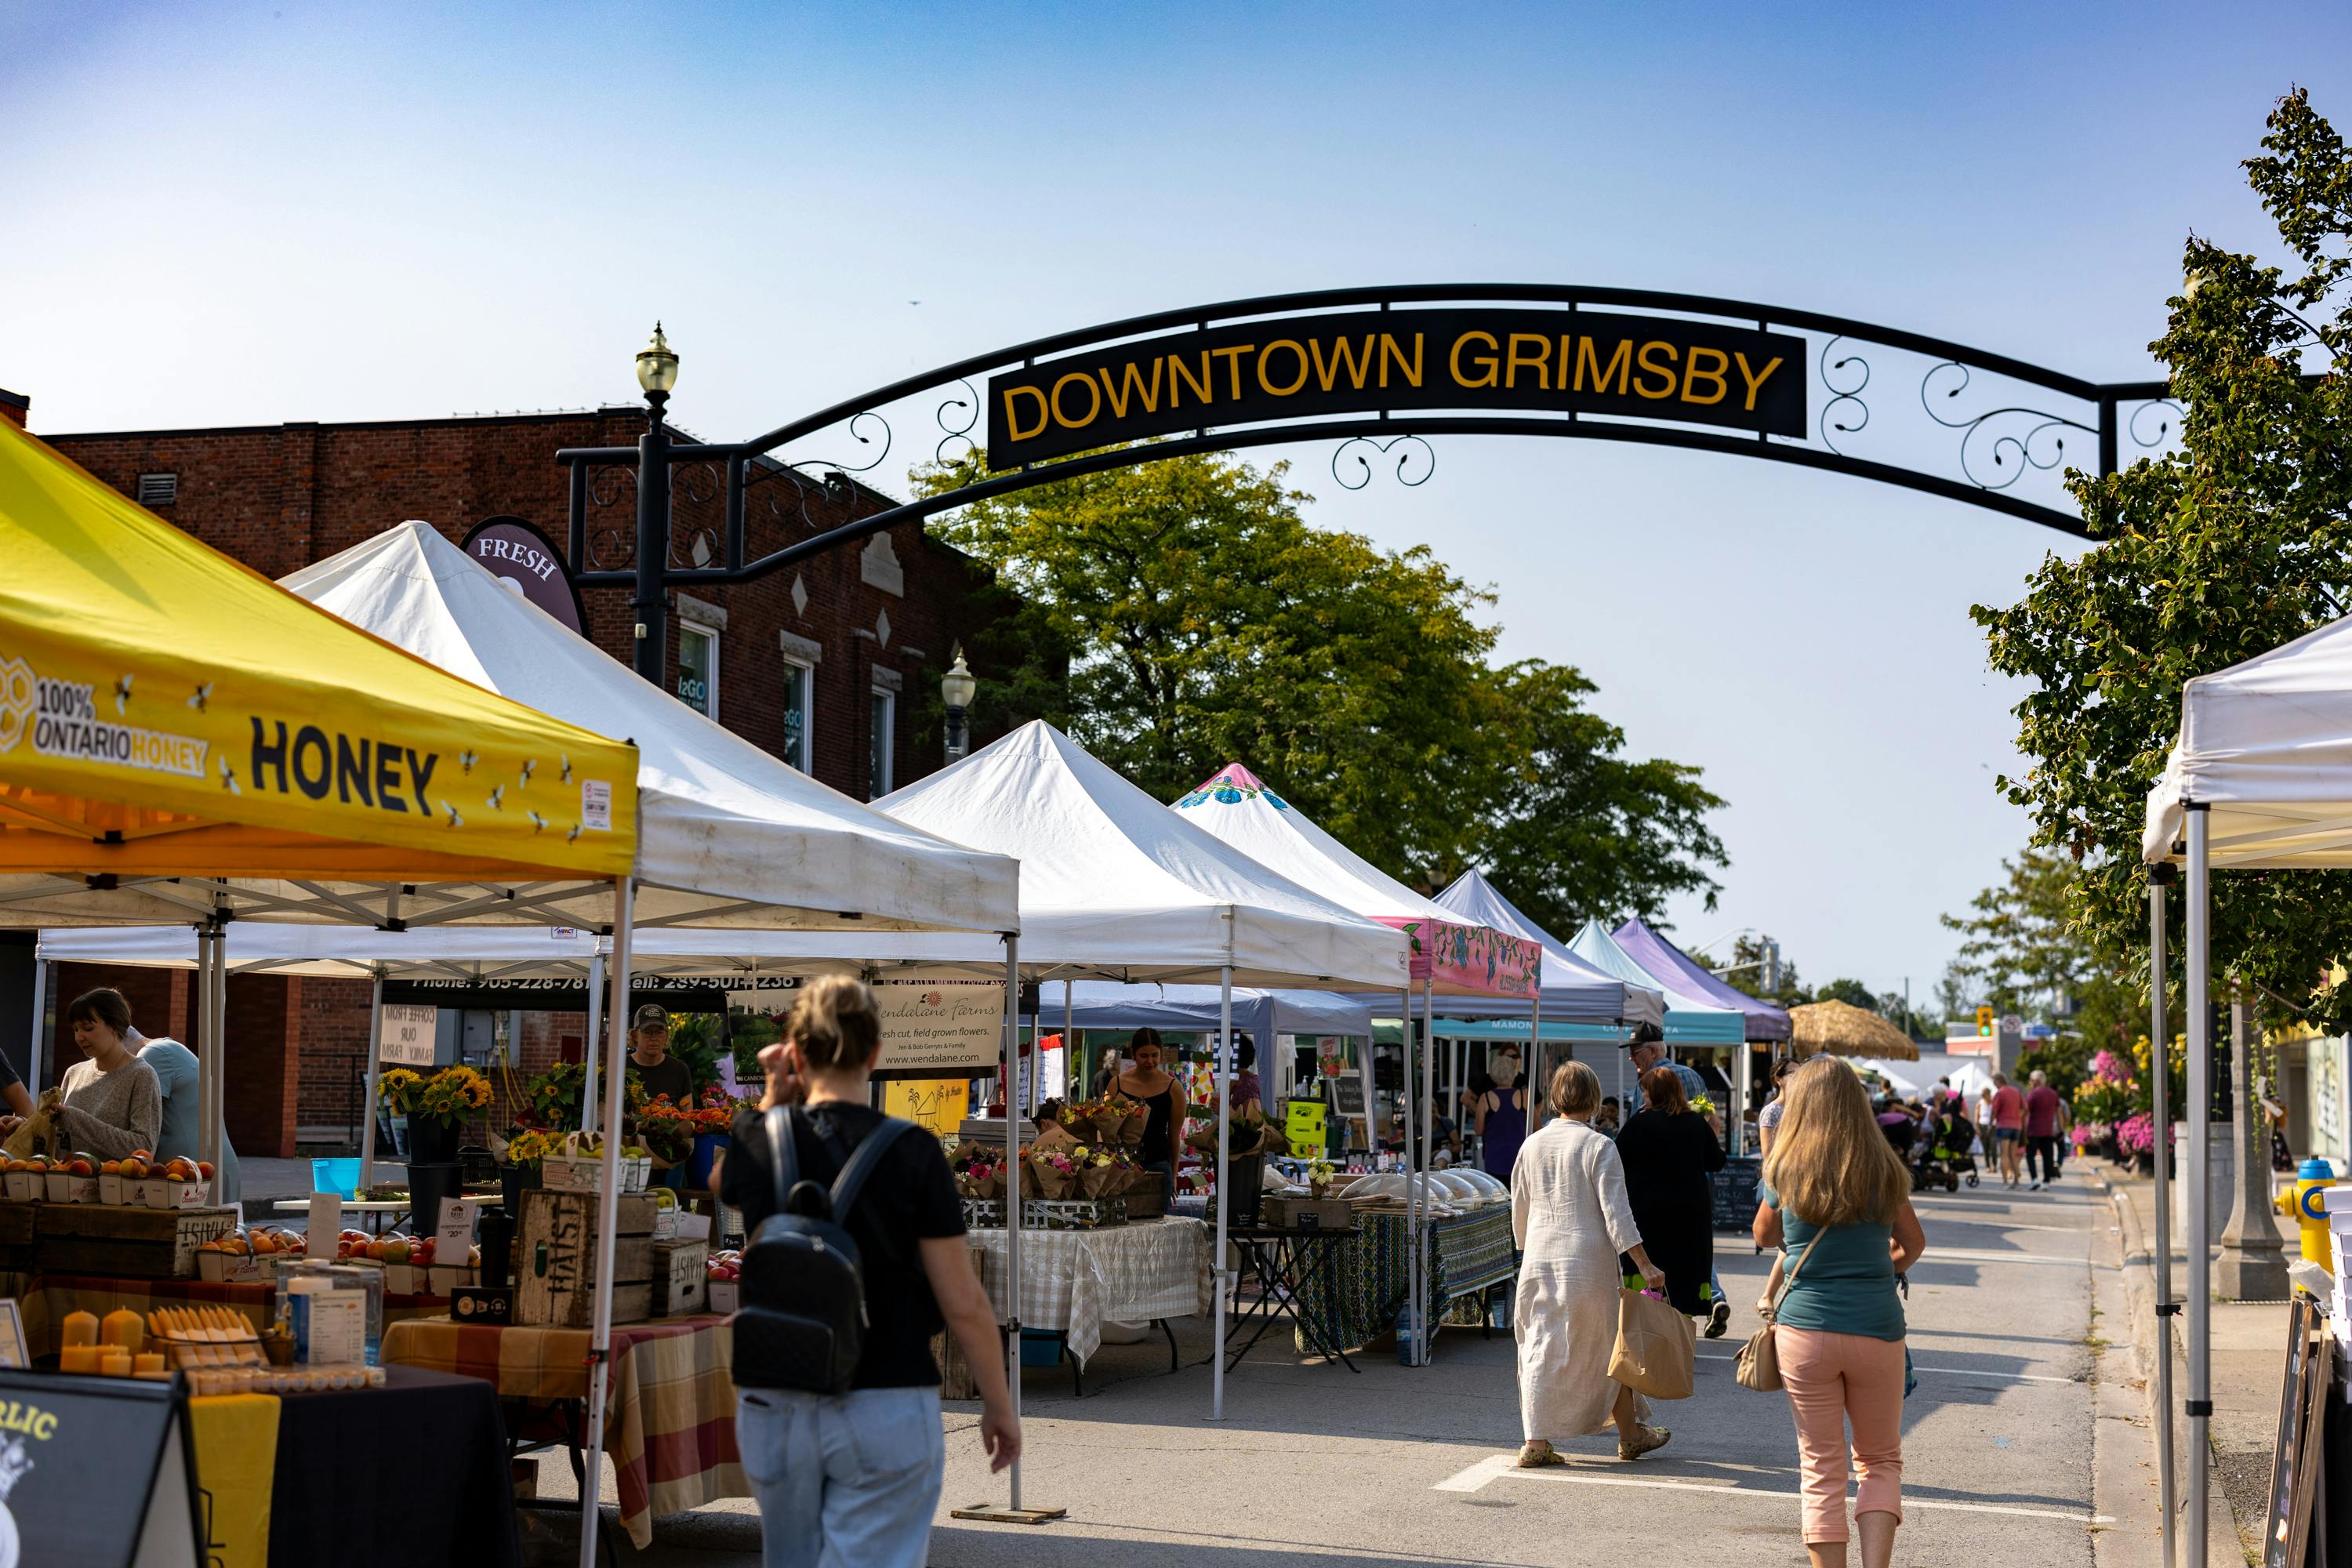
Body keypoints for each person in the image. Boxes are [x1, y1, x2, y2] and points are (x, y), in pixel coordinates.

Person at [717, 975, 1018, 1568]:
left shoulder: (759, 1136)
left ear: (798, 1054)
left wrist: (774, 1096)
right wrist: (999, 1404)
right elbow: (963, 1301)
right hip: (885, 1393)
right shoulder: (913, 1150)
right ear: (876, 1054)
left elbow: (723, 1184)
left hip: (777, 1395)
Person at [1754, 1057, 1926, 1568]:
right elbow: (1913, 1244)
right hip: (1876, 1324)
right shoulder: (1883, 1168)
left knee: (1821, 1466)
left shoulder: (1786, 1166)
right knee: (1879, 1460)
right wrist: (1879, 1267)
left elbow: (1765, 1236)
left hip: (1805, 1329)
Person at [1511, 1059, 1671, 1468]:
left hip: (1539, 1261)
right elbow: (1617, 1214)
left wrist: (1527, 1250)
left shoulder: (1531, 1145)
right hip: (1588, 1264)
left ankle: (1536, 1441)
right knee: (1608, 1347)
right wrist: (1645, 1264)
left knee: (1537, 1347)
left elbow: (1519, 1208)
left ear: (1555, 1098)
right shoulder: (1599, 1146)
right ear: (1594, 1099)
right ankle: (1630, 1434)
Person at [1614, 1065, 1727, 1324]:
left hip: (1648, 1216)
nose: (1643, 1098)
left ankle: (1648, 1333)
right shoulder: (1696, 1123)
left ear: (1656, 1094)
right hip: (1689, 1218)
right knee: (1683, 1277)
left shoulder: (1639, 1124)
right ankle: (1679, 1337)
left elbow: (1616, 1161)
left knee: (1650, 1277)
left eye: (1645, 1093)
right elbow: (1716, 1161)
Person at [51, 989, 163, 1161]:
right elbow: (58, 1135)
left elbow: (144, 1148)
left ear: (114, 1026)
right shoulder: (73, 1073)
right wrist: (25, 1125)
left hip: (113, 1186)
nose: (78, 1038)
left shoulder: (141, 1075)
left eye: (88, 1028)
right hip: (62, 1183)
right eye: (75, 1029)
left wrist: (76, 1119)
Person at [139, 1028, 241, 1206]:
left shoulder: (152, 1054)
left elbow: (144, 1120)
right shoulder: (170, 1048)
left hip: (191, 1174)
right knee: (224, 1231)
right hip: (205, 1165)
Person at [627, 1004, 696, 1190]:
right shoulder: (622, 1067)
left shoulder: (679, 1069)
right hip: (630, 1159)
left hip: (671, 1163)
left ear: (666, 1035)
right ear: (635, 1036)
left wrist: (674, 1130)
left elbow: (688, 1117)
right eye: (648, 1032)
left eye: (659, 1032)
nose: (654, 1039)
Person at [1115, 1029, 1185, 1206]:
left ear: (1161, 1053)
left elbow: (1174, 1135)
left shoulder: (1173, 1088)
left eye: (1155, 1055)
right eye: (1144, 1056)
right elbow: (1105, 1128)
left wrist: (1174, 1174)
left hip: (1159, 1165)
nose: (1150, 1061)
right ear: (1134, 1055)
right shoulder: (1117, 1084)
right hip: (1123, 1166)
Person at [1476, 1065, 1530, 1182]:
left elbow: (1479, 1130)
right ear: (1514, 1074)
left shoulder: (1485, 1098)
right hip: (1519, 1154)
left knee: (1498, 1195)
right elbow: (1536, 1126)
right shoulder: (1524, 1096)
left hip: (1494, 1156)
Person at [2023, 1069, 2064, 1189]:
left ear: (2036, 1081)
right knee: (2048, 1157)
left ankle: (2034, 1179)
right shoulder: (2053, 1094)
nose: (2030, 1083)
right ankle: (2046, 1182)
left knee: (2030, 1155)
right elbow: (2059, 1112)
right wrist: (2061, 1129)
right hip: (2048, 1131)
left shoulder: (2033, 1094)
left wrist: (2022, 1127)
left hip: (2033, 1130)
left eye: (2031, 1081)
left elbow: (2025, 1111)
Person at [1987, 1072, 2026, 1189]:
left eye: (1994, 1082)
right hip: (2016, 1126)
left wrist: (1990, 1125)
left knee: (2004, 1155)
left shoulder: (2000, 1093)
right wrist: (2018, 1116)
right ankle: (2016, 1182)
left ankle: (2005, 1182)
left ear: (1998, 1081)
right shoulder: (2016, 1091)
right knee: (2013, 1155)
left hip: (2004, 1126)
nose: (1994, 1084)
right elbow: (2025, 1108)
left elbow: (1994, 1112)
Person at [1757, 1056, 1800, 1156]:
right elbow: (1768, 1155)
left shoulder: (1803, 1108)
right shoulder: (1771, 1111)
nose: (1798, 1077)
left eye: (1800, 1073)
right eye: (1792, 1073)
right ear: (1778, 1080)